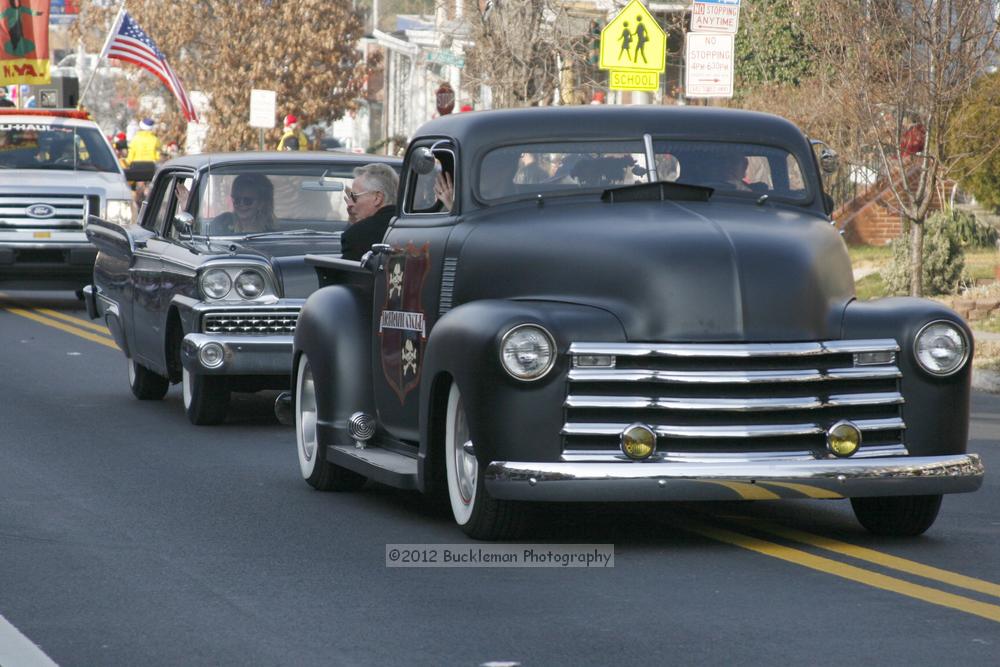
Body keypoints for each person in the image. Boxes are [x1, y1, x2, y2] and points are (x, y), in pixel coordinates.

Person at [340, 163, 399, 260]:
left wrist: (357, 228)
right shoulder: (411, 227)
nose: (349, 203)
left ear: (377, 198)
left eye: (355, 197)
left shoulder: (357, 236)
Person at [209, 174, 276, 235]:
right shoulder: (221, 223)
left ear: (260, 204)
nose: (241, 204)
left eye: (247, 201)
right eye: (237, 200)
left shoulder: (272, 234)